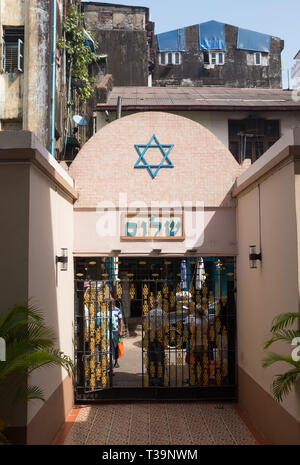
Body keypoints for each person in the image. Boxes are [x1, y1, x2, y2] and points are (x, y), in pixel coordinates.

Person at [146, 298, 168, 386]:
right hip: (159, 336)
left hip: (151, 335)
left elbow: (146, 326)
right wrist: (162, 338)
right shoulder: (163, 313)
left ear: (153, 304)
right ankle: (160, 380)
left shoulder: (149, 313)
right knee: (160, 359)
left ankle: (151, 380)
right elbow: (164, 327)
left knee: (151, 358)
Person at [111, 298, 123, 369]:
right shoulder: (106, 310)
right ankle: (110, 362)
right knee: (109, 346)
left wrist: (120, 331)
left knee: (116, 346)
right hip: (108, 331)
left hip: (115, 331)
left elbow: (120, 321)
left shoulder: (117, 310)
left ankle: (116, 361)